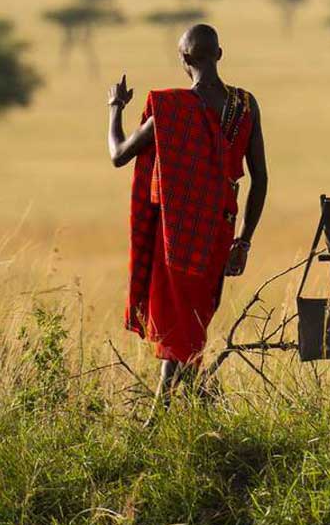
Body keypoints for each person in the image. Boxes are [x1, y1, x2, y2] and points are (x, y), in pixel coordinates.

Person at [106, 23, 268, 397]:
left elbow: (118, 155)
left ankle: (174, 407)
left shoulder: (170, 109)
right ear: (219, 54)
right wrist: (243, 241)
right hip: (220, 231)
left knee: (185, 322)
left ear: (183, 59)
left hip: (177, 234)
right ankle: (194, 400)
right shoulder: (245, 105)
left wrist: (115, 108)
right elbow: (260, 180)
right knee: (190, 321)